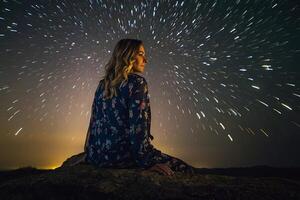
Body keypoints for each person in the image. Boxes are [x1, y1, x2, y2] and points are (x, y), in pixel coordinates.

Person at [83, 38, 196, 176]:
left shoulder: (102, 85)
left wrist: (89, 154)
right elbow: (138, 127)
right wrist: (147, 161)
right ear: (128, 55)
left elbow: (93, 124)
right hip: (124, 158)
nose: (146, 60)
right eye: (141, 54)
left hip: (98, 157)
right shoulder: (137, 83)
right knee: (186, 170)